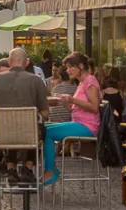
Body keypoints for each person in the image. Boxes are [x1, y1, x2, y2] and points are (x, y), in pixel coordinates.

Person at [0, 47, 53, 210]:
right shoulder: (35, 80)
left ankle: (10, 168)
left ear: (9, 60)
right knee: (37, 130)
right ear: (26, 62)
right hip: (28, 136)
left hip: (1, 136)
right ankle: (28, 168)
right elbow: (45, 113)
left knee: (13, 130)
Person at [41, 53, 102, 186]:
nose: (67, 71)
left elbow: (94, 107)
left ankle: (50, 171)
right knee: (43, 128)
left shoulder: (90, 81)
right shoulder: (81, 83)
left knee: (47, 132)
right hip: (79, 123)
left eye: (70, 67)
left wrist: (72, 99)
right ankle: (51, 169)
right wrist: (65, 102)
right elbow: (75, 109)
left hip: (88, 126)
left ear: (80, 66)